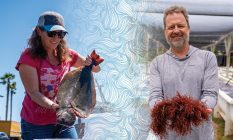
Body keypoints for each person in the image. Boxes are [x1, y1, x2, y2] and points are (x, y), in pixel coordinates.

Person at [15, 11, 101, 139]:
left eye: (60, 34)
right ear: (39, 31)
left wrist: (92, 63)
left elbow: (96, 69)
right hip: (35, 123)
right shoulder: (28, 56)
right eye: (51, 33)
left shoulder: (68, 54)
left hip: (64, 121)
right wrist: (55, 107)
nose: (56, 38)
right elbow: (33, 93)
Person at [148, 5, 219, 140]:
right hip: (169, 135)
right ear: (165, 32)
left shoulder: (207, 58)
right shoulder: (157, 63)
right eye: (171, 27)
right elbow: (155, 96)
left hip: (201, 135)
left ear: (188, 29)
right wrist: (162, 109)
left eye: (180, 26)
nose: (176, 30)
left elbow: (210, 94)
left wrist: (197, 109)